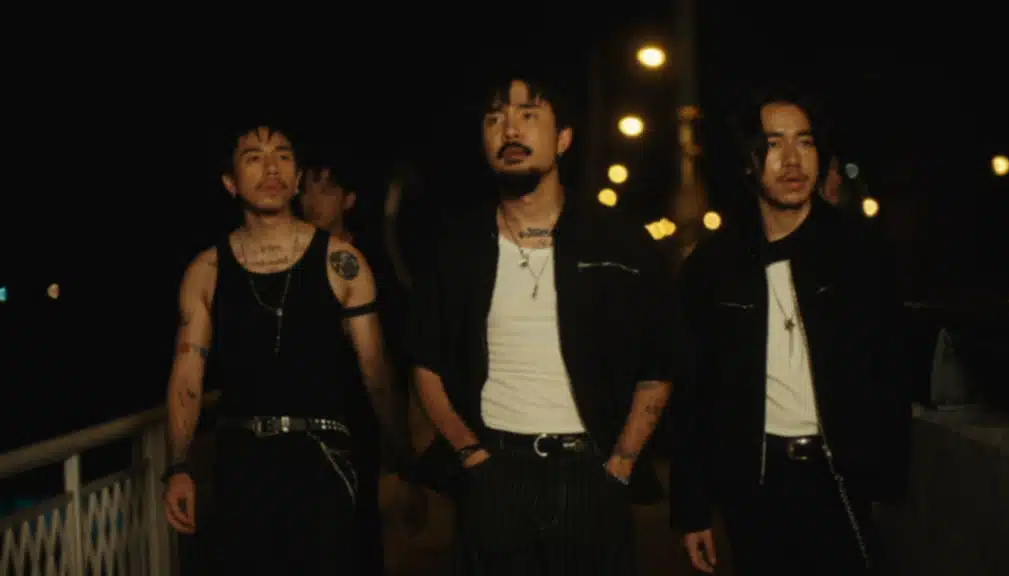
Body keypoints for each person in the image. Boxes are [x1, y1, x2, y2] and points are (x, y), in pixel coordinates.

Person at [408, 74, 675, 575]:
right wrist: (471, 456)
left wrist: (621, 462)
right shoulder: (457, 245)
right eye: (495, 119)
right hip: (494, 470)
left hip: (591, 471)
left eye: (528, 115)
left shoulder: (619, 240)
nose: (510, 130)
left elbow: (658, 361)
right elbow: (426, 362)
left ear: (564, 138)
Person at [670, 85, 910, 575]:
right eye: (773, 144)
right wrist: (691, 509)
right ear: (748, 161)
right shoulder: (714, 266)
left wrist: (885, 482)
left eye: (805, 141)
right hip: (754, 485)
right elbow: (694, 393)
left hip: (841, 479)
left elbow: (892, 369)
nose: (792, 160)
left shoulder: (860, 253)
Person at [162, 121, 407, 574]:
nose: (271, 167)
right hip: (240, 461)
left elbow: (375, 369)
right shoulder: (207, 270)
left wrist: (401, 452)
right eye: (254, 157)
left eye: (283, 156)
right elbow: (187, 376)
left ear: (296, 179)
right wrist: (178, 466)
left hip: (322, 459)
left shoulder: (342, 262)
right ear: (231, 182)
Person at [299, 163, 428, 574]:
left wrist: (402, 448)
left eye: (325, 190)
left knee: (358, 535)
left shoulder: (370, 266)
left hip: (356, 422)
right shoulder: (285, 261)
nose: (312, 201)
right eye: (306, 190)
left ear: (348, 200)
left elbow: (392, 357)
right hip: (298, 429)